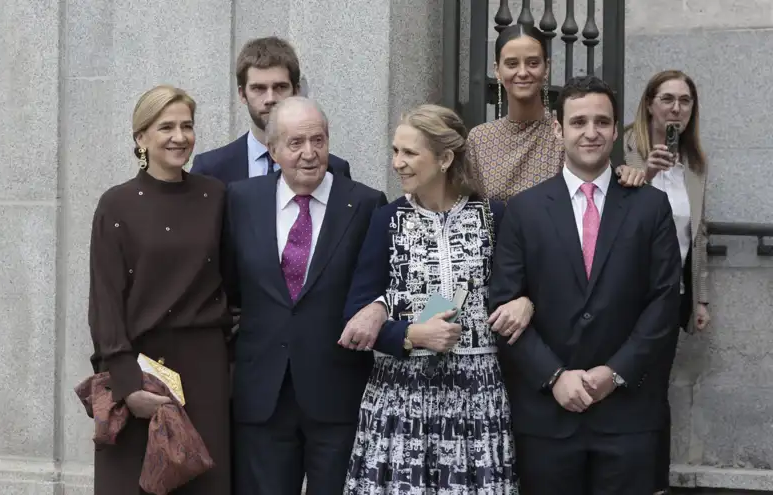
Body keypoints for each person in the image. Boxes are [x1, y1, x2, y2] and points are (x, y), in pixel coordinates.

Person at [489, 75, 682, 495]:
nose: (590, 132)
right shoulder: (524, 211)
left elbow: (664, 302)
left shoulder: (650, 206)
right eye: (578, 122)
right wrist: (554, 376)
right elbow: (502, 304)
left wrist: (614, 373)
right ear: (559, 128)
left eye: (601, 121)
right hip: (547, 415)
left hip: (628, 414)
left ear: (616, 130)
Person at [341, 104, 529, 494]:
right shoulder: (387, 220)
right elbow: (357, 312)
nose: (398, 163)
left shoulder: (493, 217)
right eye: (395, 151)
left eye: (410, 153)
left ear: (445, 158)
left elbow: (521, 289)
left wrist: (525, 302)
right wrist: (412, 335)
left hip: (476, 398)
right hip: (402, 399)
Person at [221, 96, 387, 495]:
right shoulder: (241, 201)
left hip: (338, 392)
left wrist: (379, 308)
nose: (309, 154)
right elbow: (230, 283)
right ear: (274, 150)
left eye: (318, 140)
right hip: (263, 395)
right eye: (295, 143)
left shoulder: (365, 204)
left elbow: (383, 283)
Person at [87, 85, 231, 494]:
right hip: (141, 372)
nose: (179, 136)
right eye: (165, 126)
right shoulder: (116, 205)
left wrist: (229, 362)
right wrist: (127, 384)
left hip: (206, 373)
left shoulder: (214, 195)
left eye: (187, 125)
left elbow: (233, 283)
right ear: (141, 139)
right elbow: (105, 301)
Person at [624, 69, 711, 495]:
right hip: (622, 296)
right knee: (621, 384)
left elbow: (699, 235)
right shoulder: (622, 149)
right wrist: (647, 172)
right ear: (649, 104)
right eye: (667, 99)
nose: (676, 107)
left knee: (655, 392)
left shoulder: (694, 165)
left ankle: (655, 482)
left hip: (669, 295)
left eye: (685, 100)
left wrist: (701, 299)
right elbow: (611, 218)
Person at [467, 24, 644, 203]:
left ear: (547, 67)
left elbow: (598, 185)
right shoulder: (480, 139)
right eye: (512, 64)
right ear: (497, 70)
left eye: (533, 63)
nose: (522, 72)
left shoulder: (566, 132)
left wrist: (624, 174)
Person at [191, 36, 351, 183]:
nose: (270, 99)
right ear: (242, 94)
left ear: (296, 91)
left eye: (280, 87)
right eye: (258, 88)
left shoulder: (334, 170)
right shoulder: (210, 169)